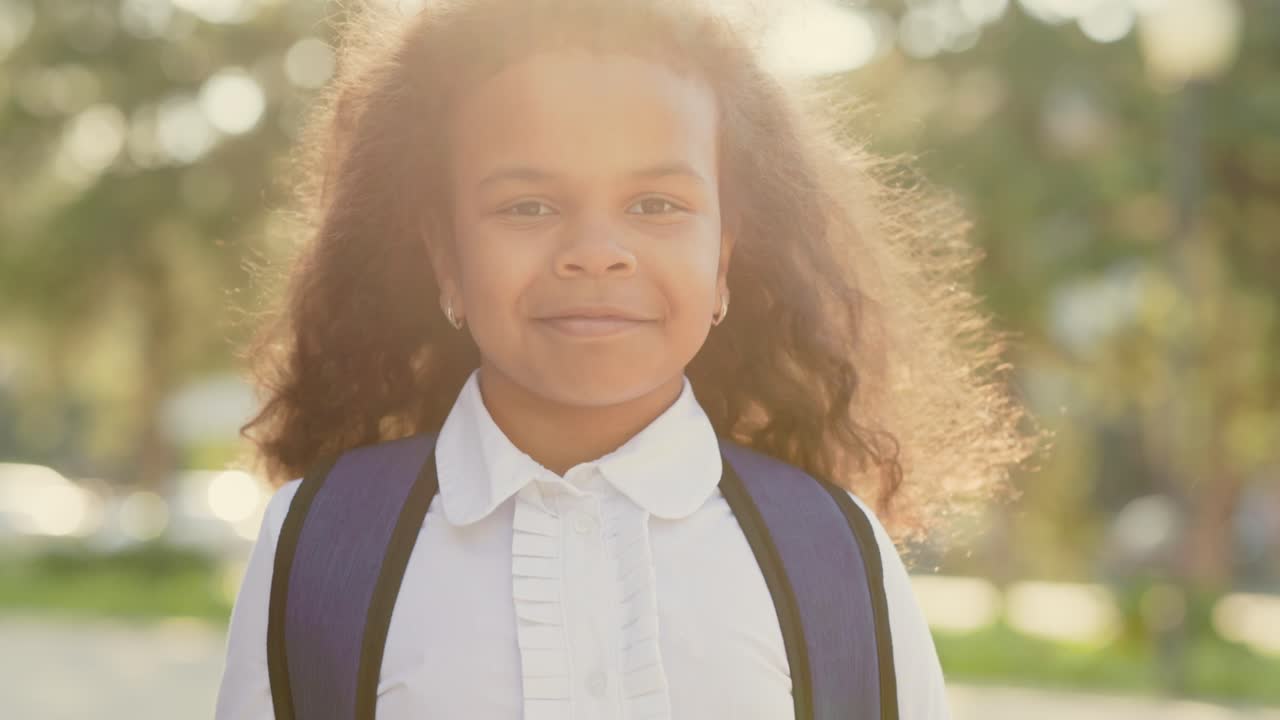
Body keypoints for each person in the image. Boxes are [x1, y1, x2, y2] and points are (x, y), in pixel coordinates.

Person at [215, 0, 1039, 718]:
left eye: (656, 204)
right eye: (528, 204)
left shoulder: (831, 552)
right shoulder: (322, 543)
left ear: (724, 260)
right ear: (445, 259)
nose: (596, 253)